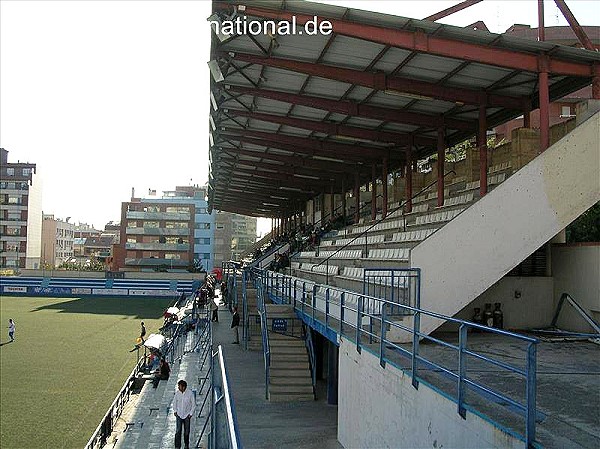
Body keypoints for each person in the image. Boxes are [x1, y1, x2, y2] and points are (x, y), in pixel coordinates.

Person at [173, 379, 195, 449]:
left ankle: (186, 445)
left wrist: (190, 414)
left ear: (184, 387)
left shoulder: (190, 393)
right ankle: (177, 446)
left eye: (179, 386)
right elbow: (174, 403)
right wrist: (175, 411)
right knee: (178, 431)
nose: (178, 388)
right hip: (179, 414)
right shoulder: (177, 393)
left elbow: (193, 404)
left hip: (187, 415)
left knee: (186, 432)